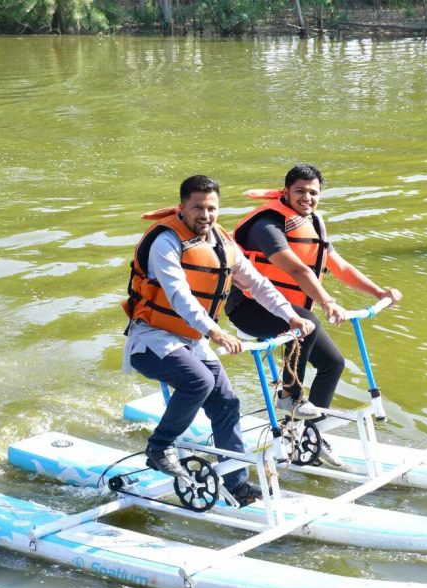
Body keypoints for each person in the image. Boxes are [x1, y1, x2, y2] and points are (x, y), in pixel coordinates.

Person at [122, 174, 315, 506]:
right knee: (198, 381)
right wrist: (215, 330)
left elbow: (258, 283)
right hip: (153, 340)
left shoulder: (222, 243)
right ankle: (159, 448)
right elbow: (178, 295)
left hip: (192, 341)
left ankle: (236, 484)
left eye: (211, 208)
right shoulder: (165, 241)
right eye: (197, 207)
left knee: (227, 402)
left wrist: (290, 315)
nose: (205, 215)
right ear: (182, 207)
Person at [224, 163, 401, 467]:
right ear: (286, 191)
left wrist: (379, 293)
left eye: (313, 192)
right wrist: (329, 301)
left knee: (333, 363)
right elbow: (296, 269)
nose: (307, 197)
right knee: (309, 320)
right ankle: (289, 395)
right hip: (249, 308)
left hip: (293, 312)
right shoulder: (267, 225)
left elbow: (341, 267)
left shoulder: (312, 222)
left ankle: (309, 435)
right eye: (300, 191)